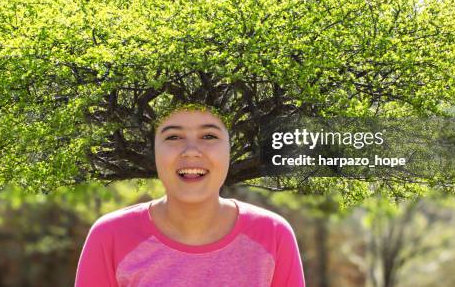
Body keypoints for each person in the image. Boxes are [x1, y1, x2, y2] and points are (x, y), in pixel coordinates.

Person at [74, 104, 305, 286]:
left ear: (231, 149)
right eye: (173, 137)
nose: (192, 151)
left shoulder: (273, 235)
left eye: (209, 136)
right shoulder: (110, 236)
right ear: (152, 150)